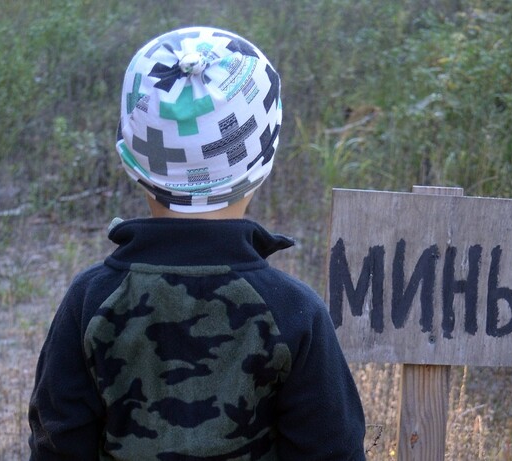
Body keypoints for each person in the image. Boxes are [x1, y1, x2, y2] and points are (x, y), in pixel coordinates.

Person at [28, 26, 366, 460]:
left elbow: (57, 444)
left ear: (133, 159)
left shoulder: (90, 301)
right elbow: (333, 449)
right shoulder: (293, 312)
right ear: (263, 159)